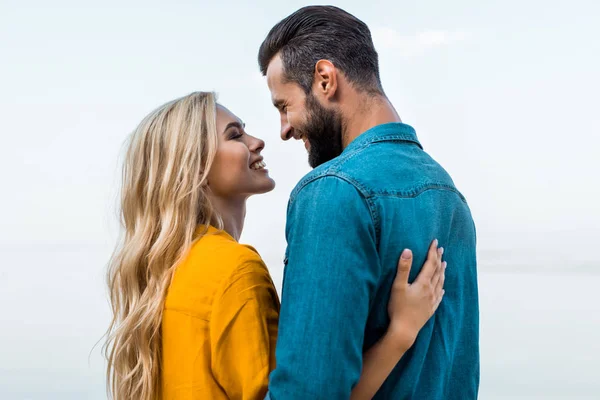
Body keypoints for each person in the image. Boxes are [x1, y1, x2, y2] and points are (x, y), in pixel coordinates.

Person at [103, 92, 446, 400]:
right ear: (193, 167)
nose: (258, 141)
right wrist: (401, 331)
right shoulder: (232, 268)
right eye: (235, 135)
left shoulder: (167, 271)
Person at [259, 5, 479, 399]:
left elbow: (310, 391)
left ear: (325, 79)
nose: (284, 129)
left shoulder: (332, 191)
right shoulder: (451, 197)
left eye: (283, 106)